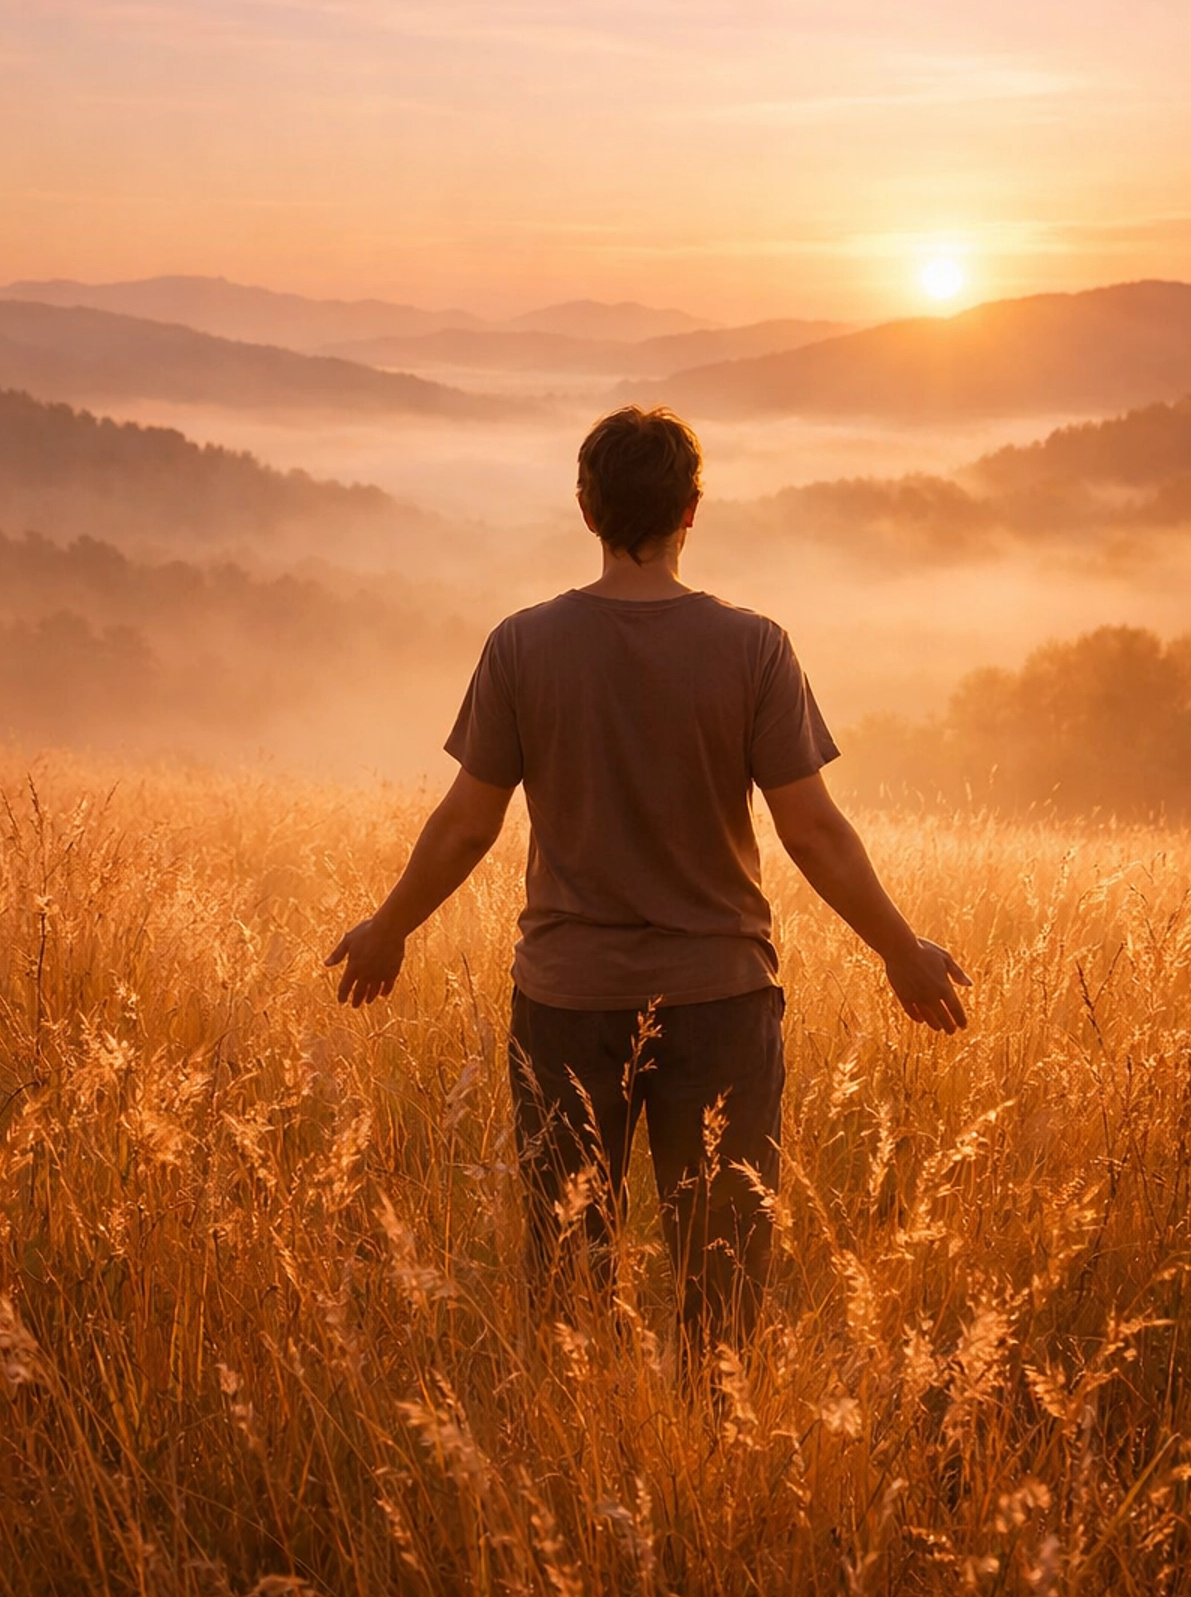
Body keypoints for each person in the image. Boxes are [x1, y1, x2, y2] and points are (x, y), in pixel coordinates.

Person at [328, 405, 969, 1364]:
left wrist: (390, 927)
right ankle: (707, 1468)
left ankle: (581, 1479)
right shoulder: (755, 648)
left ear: (585, 510)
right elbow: (814, 832)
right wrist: (900, 953)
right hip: (719, 1005)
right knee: (723, 1283)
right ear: (692, 512)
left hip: (566, 1003)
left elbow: (468, 823)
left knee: (565, 1275)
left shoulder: (522, 646)